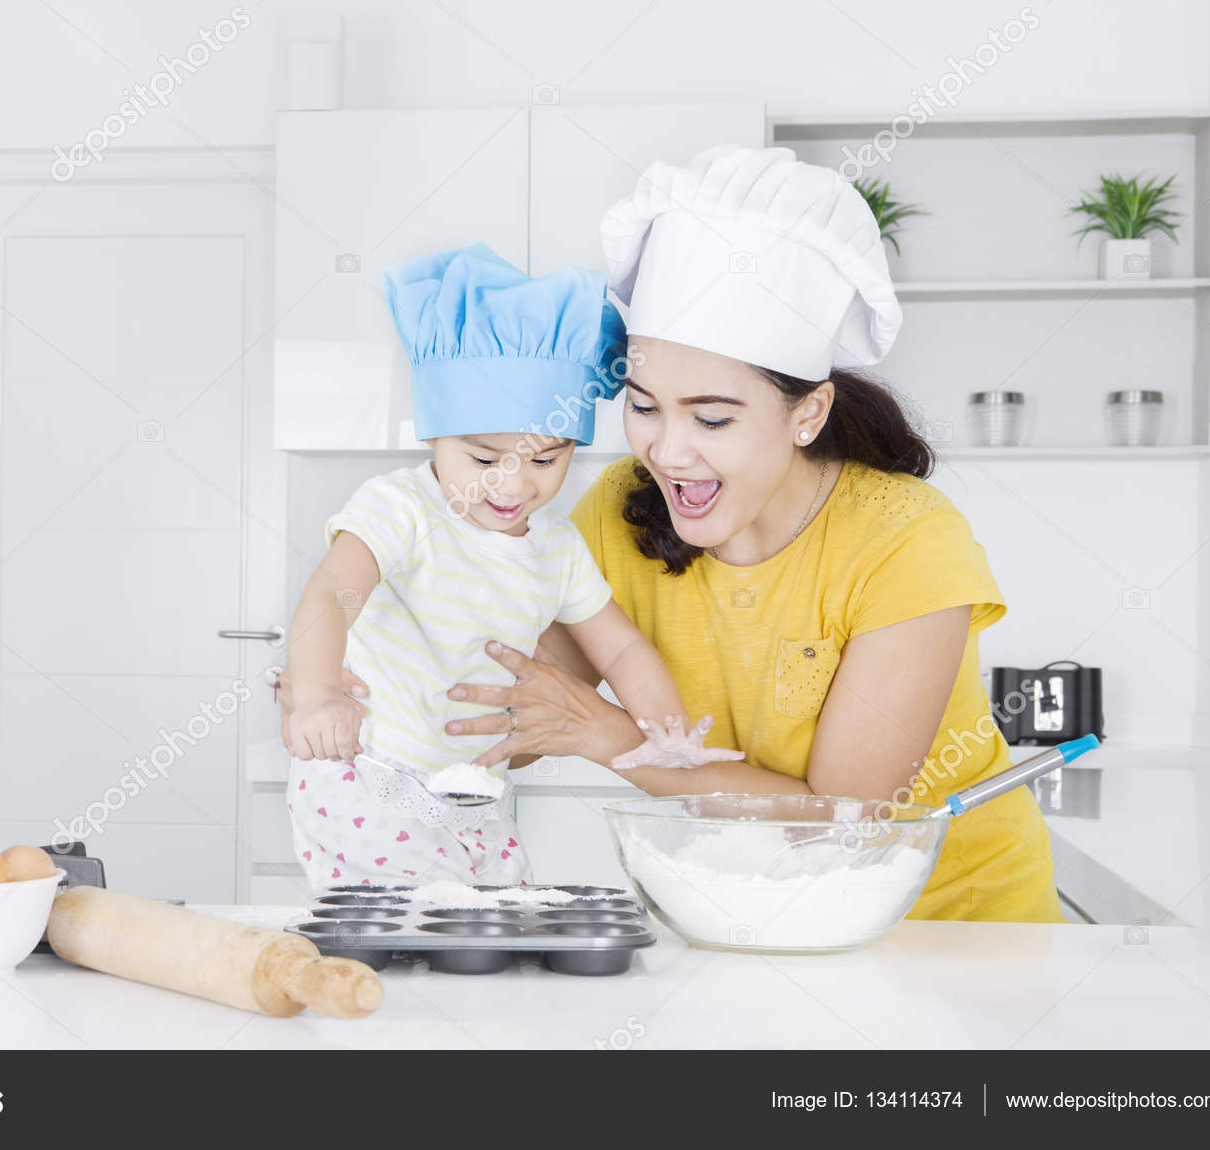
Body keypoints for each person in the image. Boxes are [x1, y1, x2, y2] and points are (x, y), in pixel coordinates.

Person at [410, 146, 1061, 922]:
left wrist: (605, 734)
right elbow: (523, 707)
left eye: (711, 417)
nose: (666, 450)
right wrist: (387, 680)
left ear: (807, 413)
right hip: (742, 906)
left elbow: (842, 820)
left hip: (948, 929)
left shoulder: (907, 541)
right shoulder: (621, 508)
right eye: (644, 405)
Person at [282, 244, 724, 891]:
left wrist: (669, 733)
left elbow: (622, 649)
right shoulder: (401, 509)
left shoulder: (555, 548)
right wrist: (317, 692)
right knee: (435, 921)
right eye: (484, 459)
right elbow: (332, 593)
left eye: (545, 461)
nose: (512, 485)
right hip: (368, 772)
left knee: (495, 934)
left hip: (477, 794)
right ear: (432, 433)